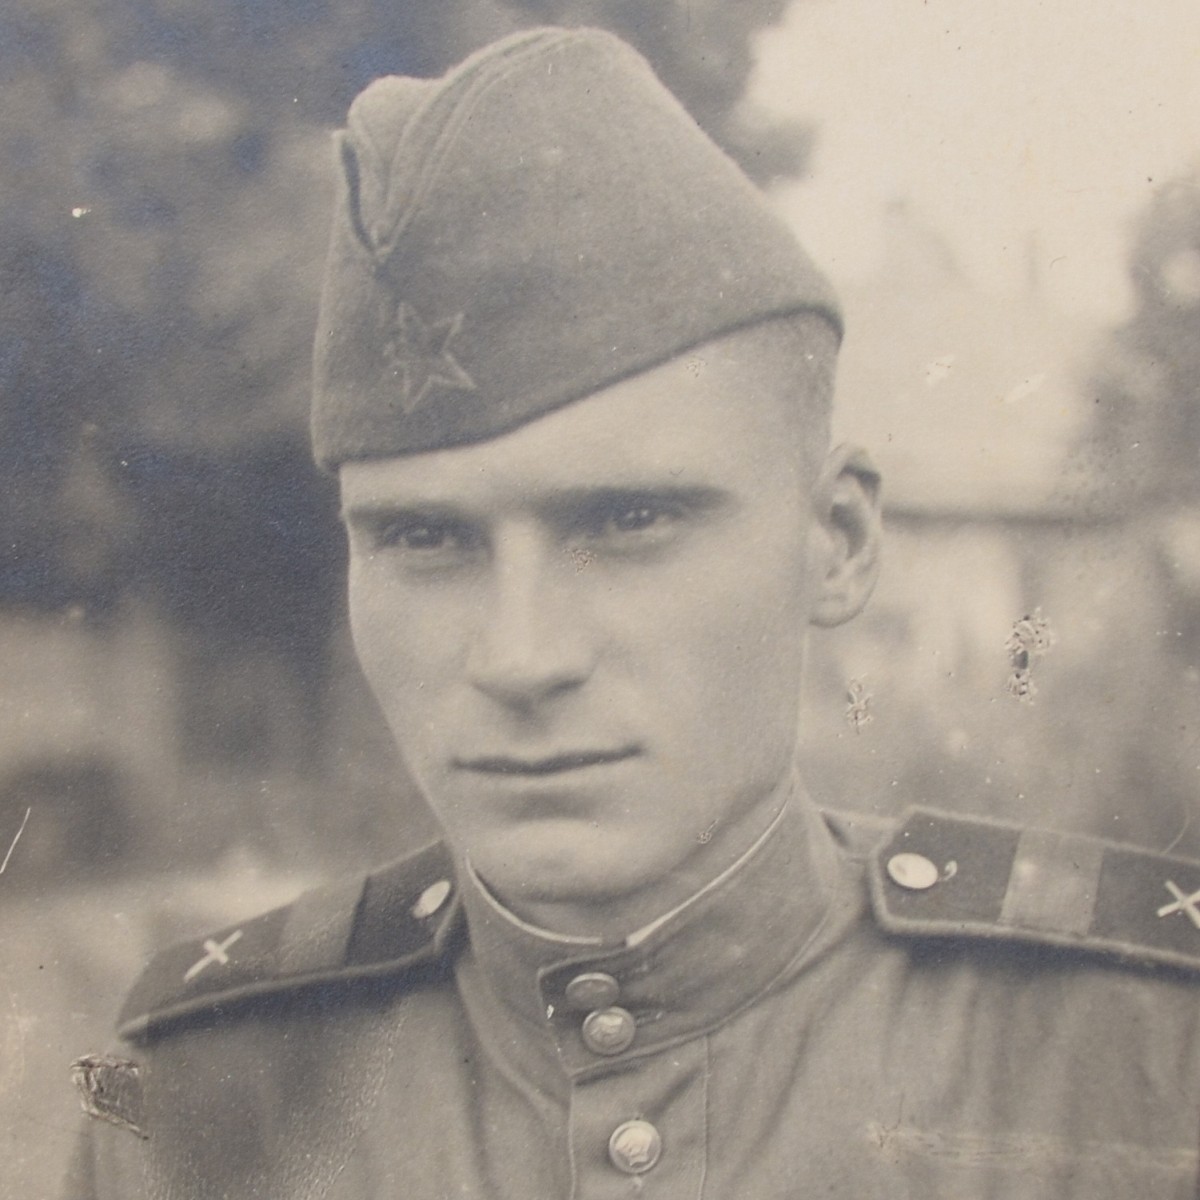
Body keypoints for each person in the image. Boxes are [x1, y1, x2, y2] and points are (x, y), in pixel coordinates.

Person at [66, 26, 1200, 1199]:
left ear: (838, 540)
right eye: (424, 538)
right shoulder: (200, 1100)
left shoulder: (1146, 1052)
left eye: (629, 521)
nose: (520, 655)